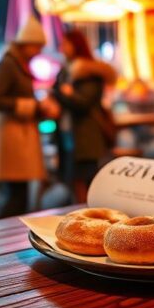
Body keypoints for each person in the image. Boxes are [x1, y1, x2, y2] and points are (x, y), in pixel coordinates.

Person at [0, 16, 59, 218]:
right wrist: (32, 105)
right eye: (36, 46)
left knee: (19, 195)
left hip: (17, 136)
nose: (38, 52)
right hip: (12, 138)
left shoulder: (16, 63)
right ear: (26, 44)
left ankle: (4, 238)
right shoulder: (10, 64)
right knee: (16, 197)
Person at [52, 29, 117, 203]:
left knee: (84, 179)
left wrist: (67, 94)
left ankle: (87, 215)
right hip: (68, 132)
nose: (62, 47)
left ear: (76, 45)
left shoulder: (89, 72)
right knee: (73, 177)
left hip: (86, 134)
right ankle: (80, 214)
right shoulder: (65, 70)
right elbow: (57, 92)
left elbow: (84, 104)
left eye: (66, 43)